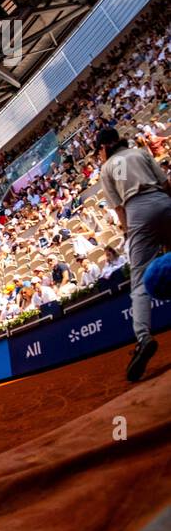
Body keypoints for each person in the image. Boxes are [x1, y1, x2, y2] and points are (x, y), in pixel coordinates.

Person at [97, 125, 171, 380]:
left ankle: (143, 338)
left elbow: (119, 210)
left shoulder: (106, 169)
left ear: (104, 148)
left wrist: (131, 235)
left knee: (139, 282)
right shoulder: (139, 152)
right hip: (162, 200)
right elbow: (165, 183)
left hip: (137, 210)